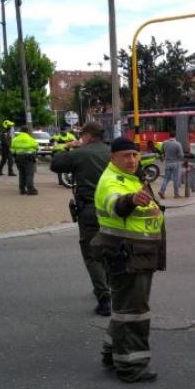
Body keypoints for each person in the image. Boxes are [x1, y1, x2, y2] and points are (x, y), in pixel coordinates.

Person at [92, 137, 166, 383]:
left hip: (137, 253)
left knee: (124, 309)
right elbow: (116, 203)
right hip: (126, 255)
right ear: (112, 157)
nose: (132, 160)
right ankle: (132, 367)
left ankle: (111, 353)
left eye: (135, 155)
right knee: (133, 312)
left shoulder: (132, 178)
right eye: (126, 155)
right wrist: (131, 200)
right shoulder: (111, 181)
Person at [50, 121, 112, 316]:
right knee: (110, 251)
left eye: (82, 135)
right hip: (115, 208)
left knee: (92, 254)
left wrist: (66, 146)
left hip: (90, 211)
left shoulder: (80, 153)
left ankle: (104, 297)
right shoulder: (113, 153)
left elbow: (55, 164)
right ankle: (108, 287)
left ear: (88, 136)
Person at [11, 127, 39, 195]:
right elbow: (36, 147)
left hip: (19, 157)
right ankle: (30, 190)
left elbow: (12, 149)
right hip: (28, 157)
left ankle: (22, 190)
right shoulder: (30, 139)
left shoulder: (15, 139)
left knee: (21, 173)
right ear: (27, 131)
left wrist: (15, 156)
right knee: (29, 174)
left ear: (21, 131)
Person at [158, 130, 184, 199]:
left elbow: (162, 152)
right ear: (175, 136)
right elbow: (181, 155)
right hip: (175, 163)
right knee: (176, 179)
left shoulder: (164, 143)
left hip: (167, 163)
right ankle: (176, 194)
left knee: (166, 178)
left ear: (169, 135)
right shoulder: (178, 144)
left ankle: (161, 191)